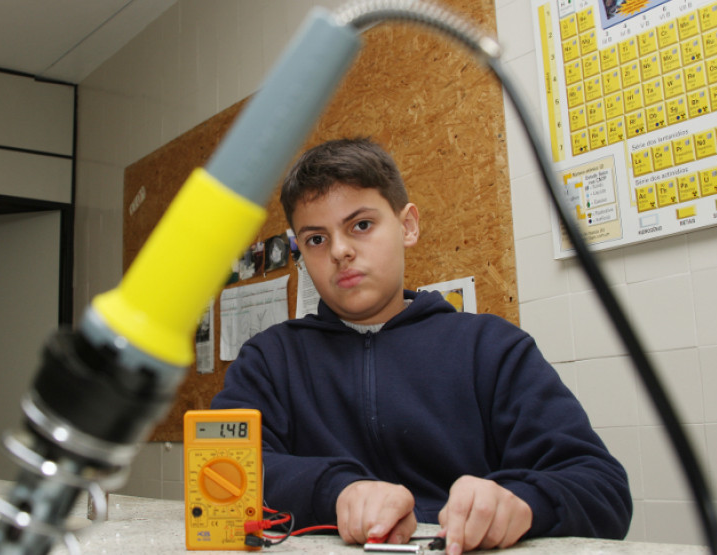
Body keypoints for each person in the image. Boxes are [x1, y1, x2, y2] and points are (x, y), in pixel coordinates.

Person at [211, 138, 632, 554]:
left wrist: (523, 502)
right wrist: (335, 491)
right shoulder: (269, 359)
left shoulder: (491, 348)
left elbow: (601, 487)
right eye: (316, 240)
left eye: (361, 225)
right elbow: (217, 472)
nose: (340, 251)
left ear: (407, 225)